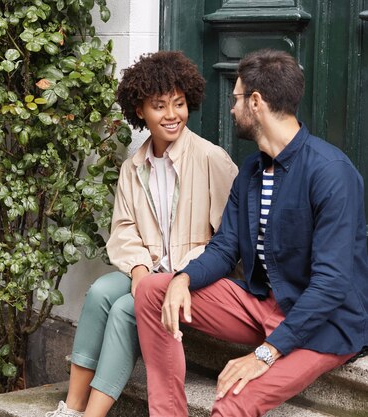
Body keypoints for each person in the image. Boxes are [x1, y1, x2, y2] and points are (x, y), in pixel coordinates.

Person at [134, 48, 368, 417]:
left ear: (256, 102)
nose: (231, 109)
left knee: (232, 403)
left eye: (236, 98)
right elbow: (226, 246)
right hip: (261, 303)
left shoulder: (331, 173)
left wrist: (265, 354)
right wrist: (184, 278)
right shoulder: (252, 170)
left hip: (323, 323)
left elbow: (331, 285)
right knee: (152, 290)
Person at [45, 51, 238, 417]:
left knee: (125, 309)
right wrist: (137, 269)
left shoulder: (211, 159)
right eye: (159, 105)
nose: (172, 115)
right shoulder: (134, 167)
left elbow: (229, 238)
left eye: (179, 104)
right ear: (140, 111)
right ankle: (71, 407)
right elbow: (123, 228)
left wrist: (182, 273)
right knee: (101, 291)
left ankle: (93, 414)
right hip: (149, 270)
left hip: (193, 278)